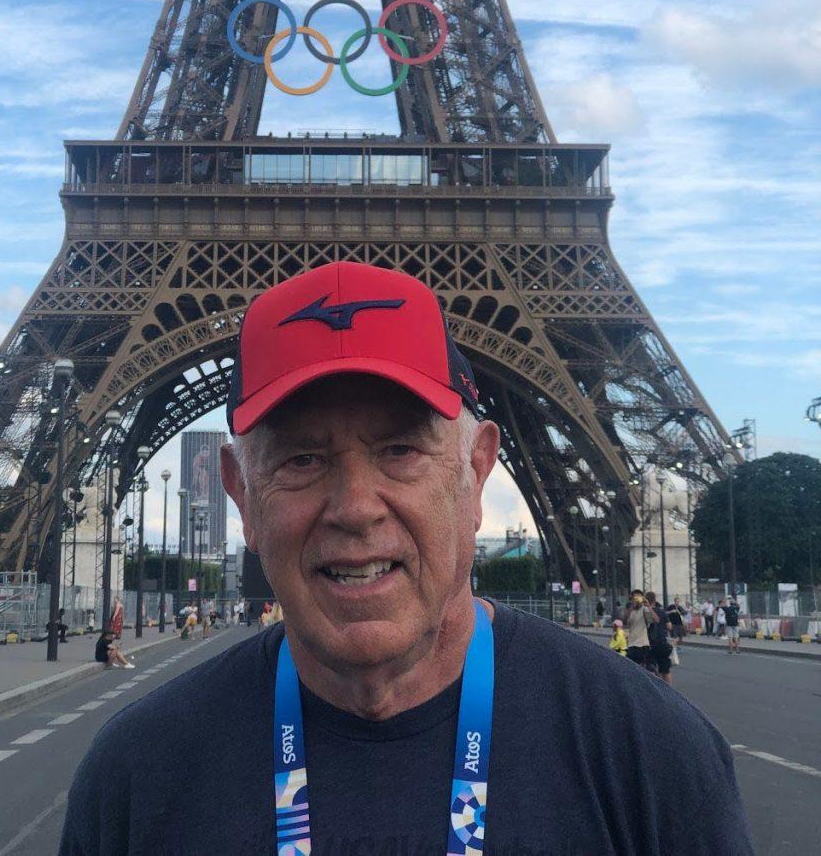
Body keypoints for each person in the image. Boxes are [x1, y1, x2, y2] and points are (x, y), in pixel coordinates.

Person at [59, 262, 752, 855]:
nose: (356, 506)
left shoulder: (655, 755)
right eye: (303, 458)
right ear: (240, 492)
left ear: (476, 471)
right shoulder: (131, 777)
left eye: (401, 450)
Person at [645, 592, 673, 686]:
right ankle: (669, 690)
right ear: (655, 600)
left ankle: (655, 688)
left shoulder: (645, 611)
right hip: (662, 642)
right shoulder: (662, 612)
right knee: (665, 669)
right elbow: (669, 626)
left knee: (650, 666)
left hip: (650, 642)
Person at [623, 590, 656, 670]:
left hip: (643, 644)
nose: (637, 599)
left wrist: (648, 606)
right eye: (635, 597)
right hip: (632, 644)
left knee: (644, 669)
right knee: (632, 669)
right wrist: (632, 606)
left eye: (639, 597)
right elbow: (624, 621)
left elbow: (652, 621)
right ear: (631, 598)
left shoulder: (644, 609)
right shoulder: (630, 611)